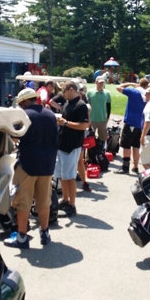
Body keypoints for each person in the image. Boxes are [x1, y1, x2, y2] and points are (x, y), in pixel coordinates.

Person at [4, 89, 59, 248]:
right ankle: (45, 232)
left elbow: (16, 136)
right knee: (44, 201)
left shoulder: (24, 115)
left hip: (28, 164)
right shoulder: (50, 115)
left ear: (24, 102)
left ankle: (22, 237)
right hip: (47, 164)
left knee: (23, 201)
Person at [55, 81, 90, 217]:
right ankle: (64, 199)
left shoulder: (80, 105)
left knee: (70, 177)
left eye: (63, 91)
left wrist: (66, 123)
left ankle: (72, 205)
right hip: (62, 144)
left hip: (72, 146)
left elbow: (84, 125)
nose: (62, 94)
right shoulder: (67, 103)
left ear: (71, 89)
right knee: (63, 176)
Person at [114, 78, 148, 174]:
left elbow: (118, 87)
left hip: (130, 122)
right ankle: (136, 167)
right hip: (140, 123)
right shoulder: (146, 95)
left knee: (126, 146)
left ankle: (125, 167)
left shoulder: (134, 92)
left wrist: (130, 83)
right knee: (136, 146)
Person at [87, 76, 111, 147]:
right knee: (90, 138)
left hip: (102, 119)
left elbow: (108, 106)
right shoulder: (90, 92)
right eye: (99, 82)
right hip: (92, 119)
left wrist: (108, 117)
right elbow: (87, 106)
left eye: (102, 83)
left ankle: (101, 153)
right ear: (96, 82)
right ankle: (90, 155)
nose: (101, 84)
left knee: (103, 139)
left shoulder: (107, 93)